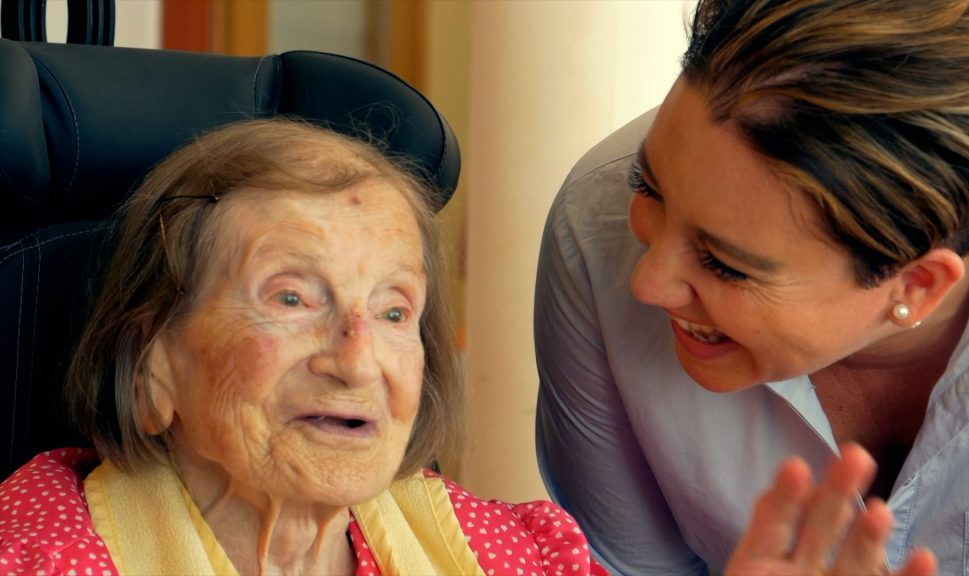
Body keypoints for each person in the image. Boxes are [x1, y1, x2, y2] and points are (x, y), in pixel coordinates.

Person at [534, 0, 969, 574]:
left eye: (723, 263)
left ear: (916, 285)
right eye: (651, 188)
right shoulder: (595, 230)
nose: (647, 282)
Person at [0, 118, 608, 575]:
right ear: (152, 364)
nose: (357, 360)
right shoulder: (35, 555)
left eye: (394, 311)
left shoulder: (509, 556)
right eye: (291, 299)